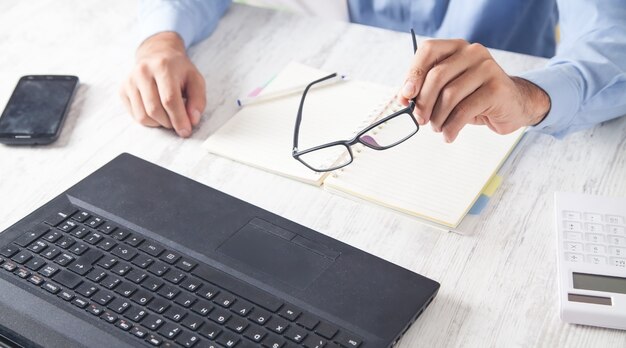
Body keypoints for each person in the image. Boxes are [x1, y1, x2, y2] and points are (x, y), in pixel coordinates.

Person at [120, 0, 626, 142]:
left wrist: (530, 95)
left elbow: (613, 39)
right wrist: (163, 37)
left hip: (493, 124)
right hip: (351, 84)